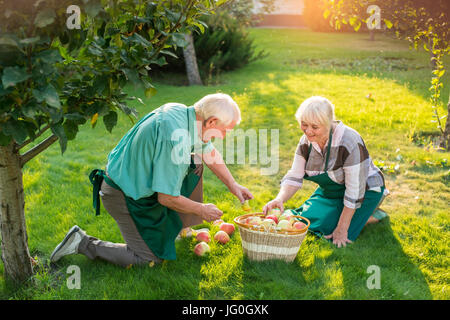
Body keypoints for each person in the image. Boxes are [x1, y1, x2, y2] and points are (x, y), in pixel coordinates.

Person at [50, 93, 253, 267]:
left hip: (133, 181)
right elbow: (167, 198)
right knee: (149, 259)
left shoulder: (184, 114)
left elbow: (208, 153)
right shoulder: (176, 139)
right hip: (122, 195)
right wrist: (201, 209)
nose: (224, 136)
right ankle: (81, 242)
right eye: (225, 130)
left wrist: (233, 185)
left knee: (196, 162)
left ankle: (182, 229)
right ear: (211, 122)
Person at [263, 96, 389, 248]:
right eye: (304, 124)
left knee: (331, 230)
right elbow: (294, 176)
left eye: (315, 127)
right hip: (332, 189)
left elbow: (355, 190)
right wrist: (280, 199)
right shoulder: (305, 142)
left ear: (328, 123)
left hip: (365, 190)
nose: (308, 131)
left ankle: (372, 213)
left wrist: (342, 228)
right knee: (305, 221)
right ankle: (357, 214)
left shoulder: (349, 141)